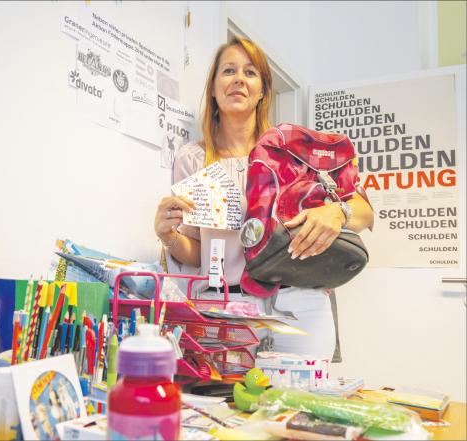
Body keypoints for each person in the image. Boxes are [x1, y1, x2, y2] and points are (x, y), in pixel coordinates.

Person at [154, 37, 374, 359]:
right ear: (214, 89)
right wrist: (167, 237)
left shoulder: (294, 149)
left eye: (250, 72)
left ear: (262, 92)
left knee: (301, 404)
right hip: (224, 309)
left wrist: (336, 213)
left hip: (299, 305)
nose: (239, 79)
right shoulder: (194, 159)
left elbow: (365, 212)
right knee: (227, 403)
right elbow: (197, 252)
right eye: (228, 71)